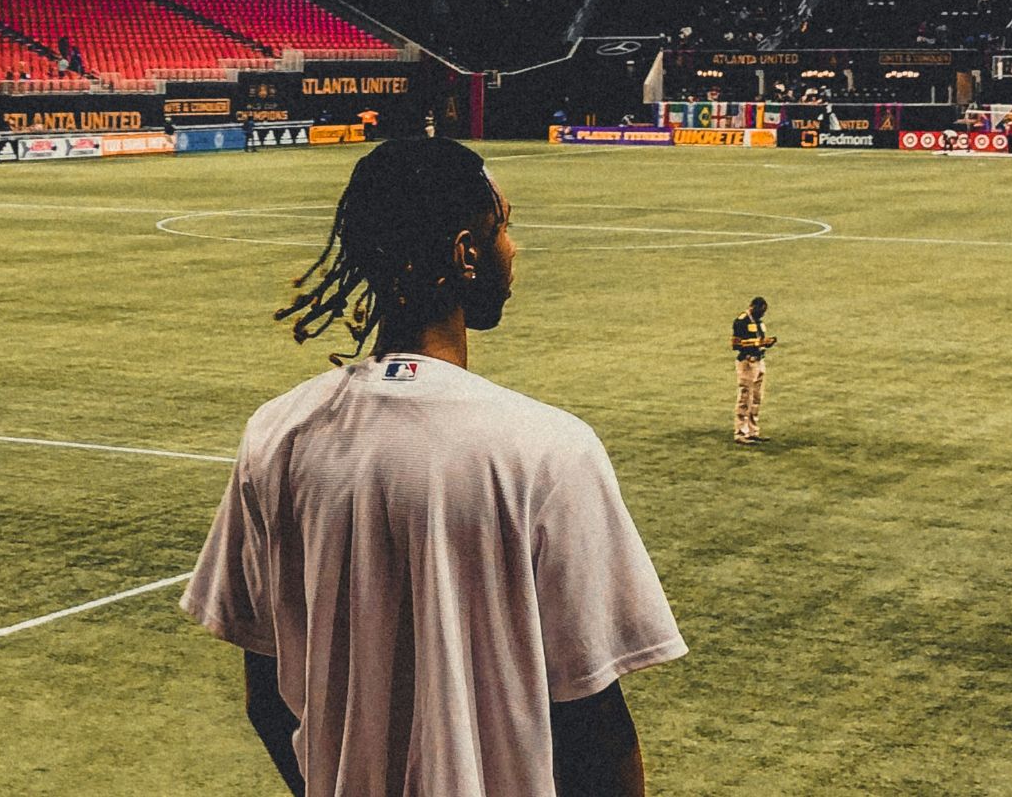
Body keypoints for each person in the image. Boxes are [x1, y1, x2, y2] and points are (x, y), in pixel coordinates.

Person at [183, 138, 686, 797]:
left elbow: (268, 698)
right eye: (503, 226)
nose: (515, 248)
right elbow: (596, 729)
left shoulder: (276, 438)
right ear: (465, 253)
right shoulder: (549, 451)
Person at [731, 297, 777, 445]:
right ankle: (740, 432)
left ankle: (752, 431)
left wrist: (766, 344)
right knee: (745, 397)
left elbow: (759, 341)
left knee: (756, 397)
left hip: (759, 361)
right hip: (747, 362)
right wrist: (759, 342)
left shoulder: (759, 322)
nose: (762, 314)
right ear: (753, 307)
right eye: (760, 311)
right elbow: (735, 344)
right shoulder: (741, 321)